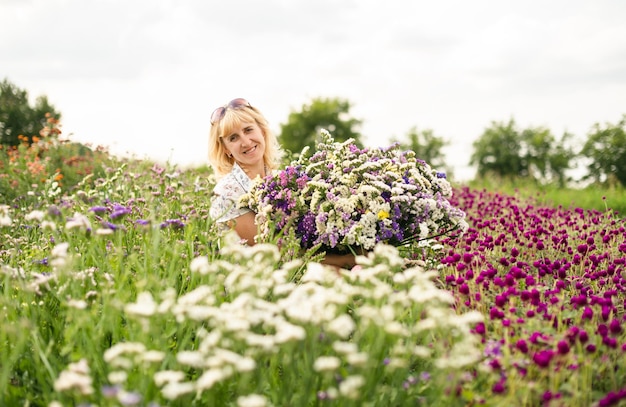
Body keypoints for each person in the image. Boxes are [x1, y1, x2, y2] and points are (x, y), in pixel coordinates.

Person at [208, 98, 356, 269]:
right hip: (257, 282)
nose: (246, 142)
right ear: (226, 149)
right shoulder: (226, 193)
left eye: (248, 130)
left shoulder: (280, 179)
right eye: (233, 138)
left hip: (297, 267)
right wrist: (344, 261)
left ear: (262, 131)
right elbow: (275, 250)